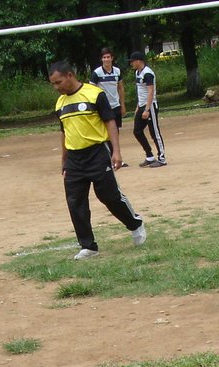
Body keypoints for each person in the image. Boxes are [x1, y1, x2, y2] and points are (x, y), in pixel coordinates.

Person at [47, 60, 146, 260]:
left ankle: (135, 224)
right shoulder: (60, 103)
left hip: (97, 153)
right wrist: (64, 161)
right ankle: (88, 246)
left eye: (58, 82)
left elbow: (110, 122)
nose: (56, 88)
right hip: (74, 159)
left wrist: (116, 151)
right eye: (53, 84)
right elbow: (64, 133)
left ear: (69, 75)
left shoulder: (94, 94)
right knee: (75, 202)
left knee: (109, 196)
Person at [128, 51, 166, 167]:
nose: (131, 64)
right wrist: (138, 107)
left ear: (139, 61)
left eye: (133, 61)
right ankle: (149, 155)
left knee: (154, 132)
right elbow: (141, 91)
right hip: (142, 105)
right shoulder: (137, 73)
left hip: (150, 106)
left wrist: (147, 109)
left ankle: (162, 158)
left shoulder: (147, 73)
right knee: (137, 131)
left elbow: (150, 92)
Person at [91, 48, 127, 132]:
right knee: (105, 130)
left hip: (115, 105)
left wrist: (122, 105)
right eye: (104, 57)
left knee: (116, 130)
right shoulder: (97, 73)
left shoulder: (117, 71)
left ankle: (114, 145)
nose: (106, 59)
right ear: (101, 59)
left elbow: (121, 88)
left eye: (108, 57)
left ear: (112, 58)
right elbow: (92, 90)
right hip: (103, 106)